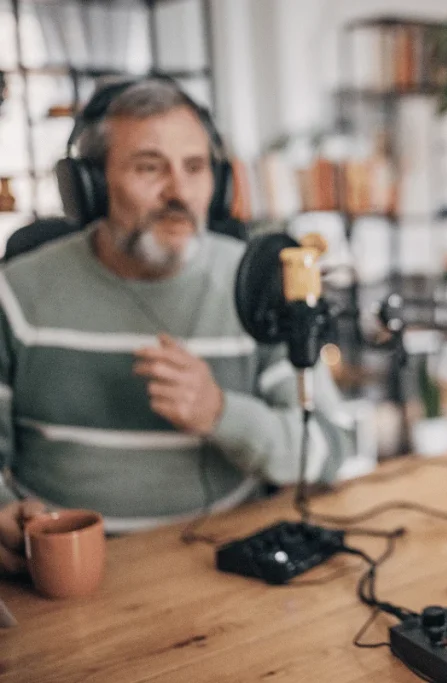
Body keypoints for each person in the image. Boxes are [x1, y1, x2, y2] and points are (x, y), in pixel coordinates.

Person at [0, 79, 352, 575]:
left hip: (229, 567)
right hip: (69, 575)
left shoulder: (262, 286)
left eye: (195, 167)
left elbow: (331, 449)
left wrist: (221, 413)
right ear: (91, 186)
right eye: (149, 168)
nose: (180, 193)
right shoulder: (14, 294)